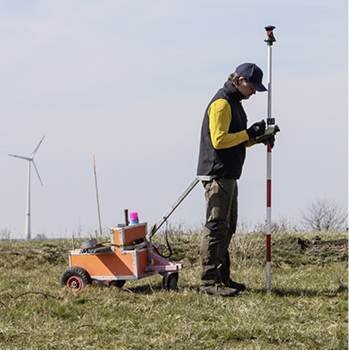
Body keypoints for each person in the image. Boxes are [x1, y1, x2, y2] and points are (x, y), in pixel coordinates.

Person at [196, 62, 274, 297]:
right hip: (217, 174)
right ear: (239, 80)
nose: (254, 92)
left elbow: (237, 139)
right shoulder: (221, 104)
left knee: (227, 227)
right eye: (252, 86)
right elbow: (220, 141)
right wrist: (248, 134)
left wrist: (257, 137)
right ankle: (208, 282)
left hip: (229, 174)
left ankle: (222, 278)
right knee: (216, 227)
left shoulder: (235, 104)